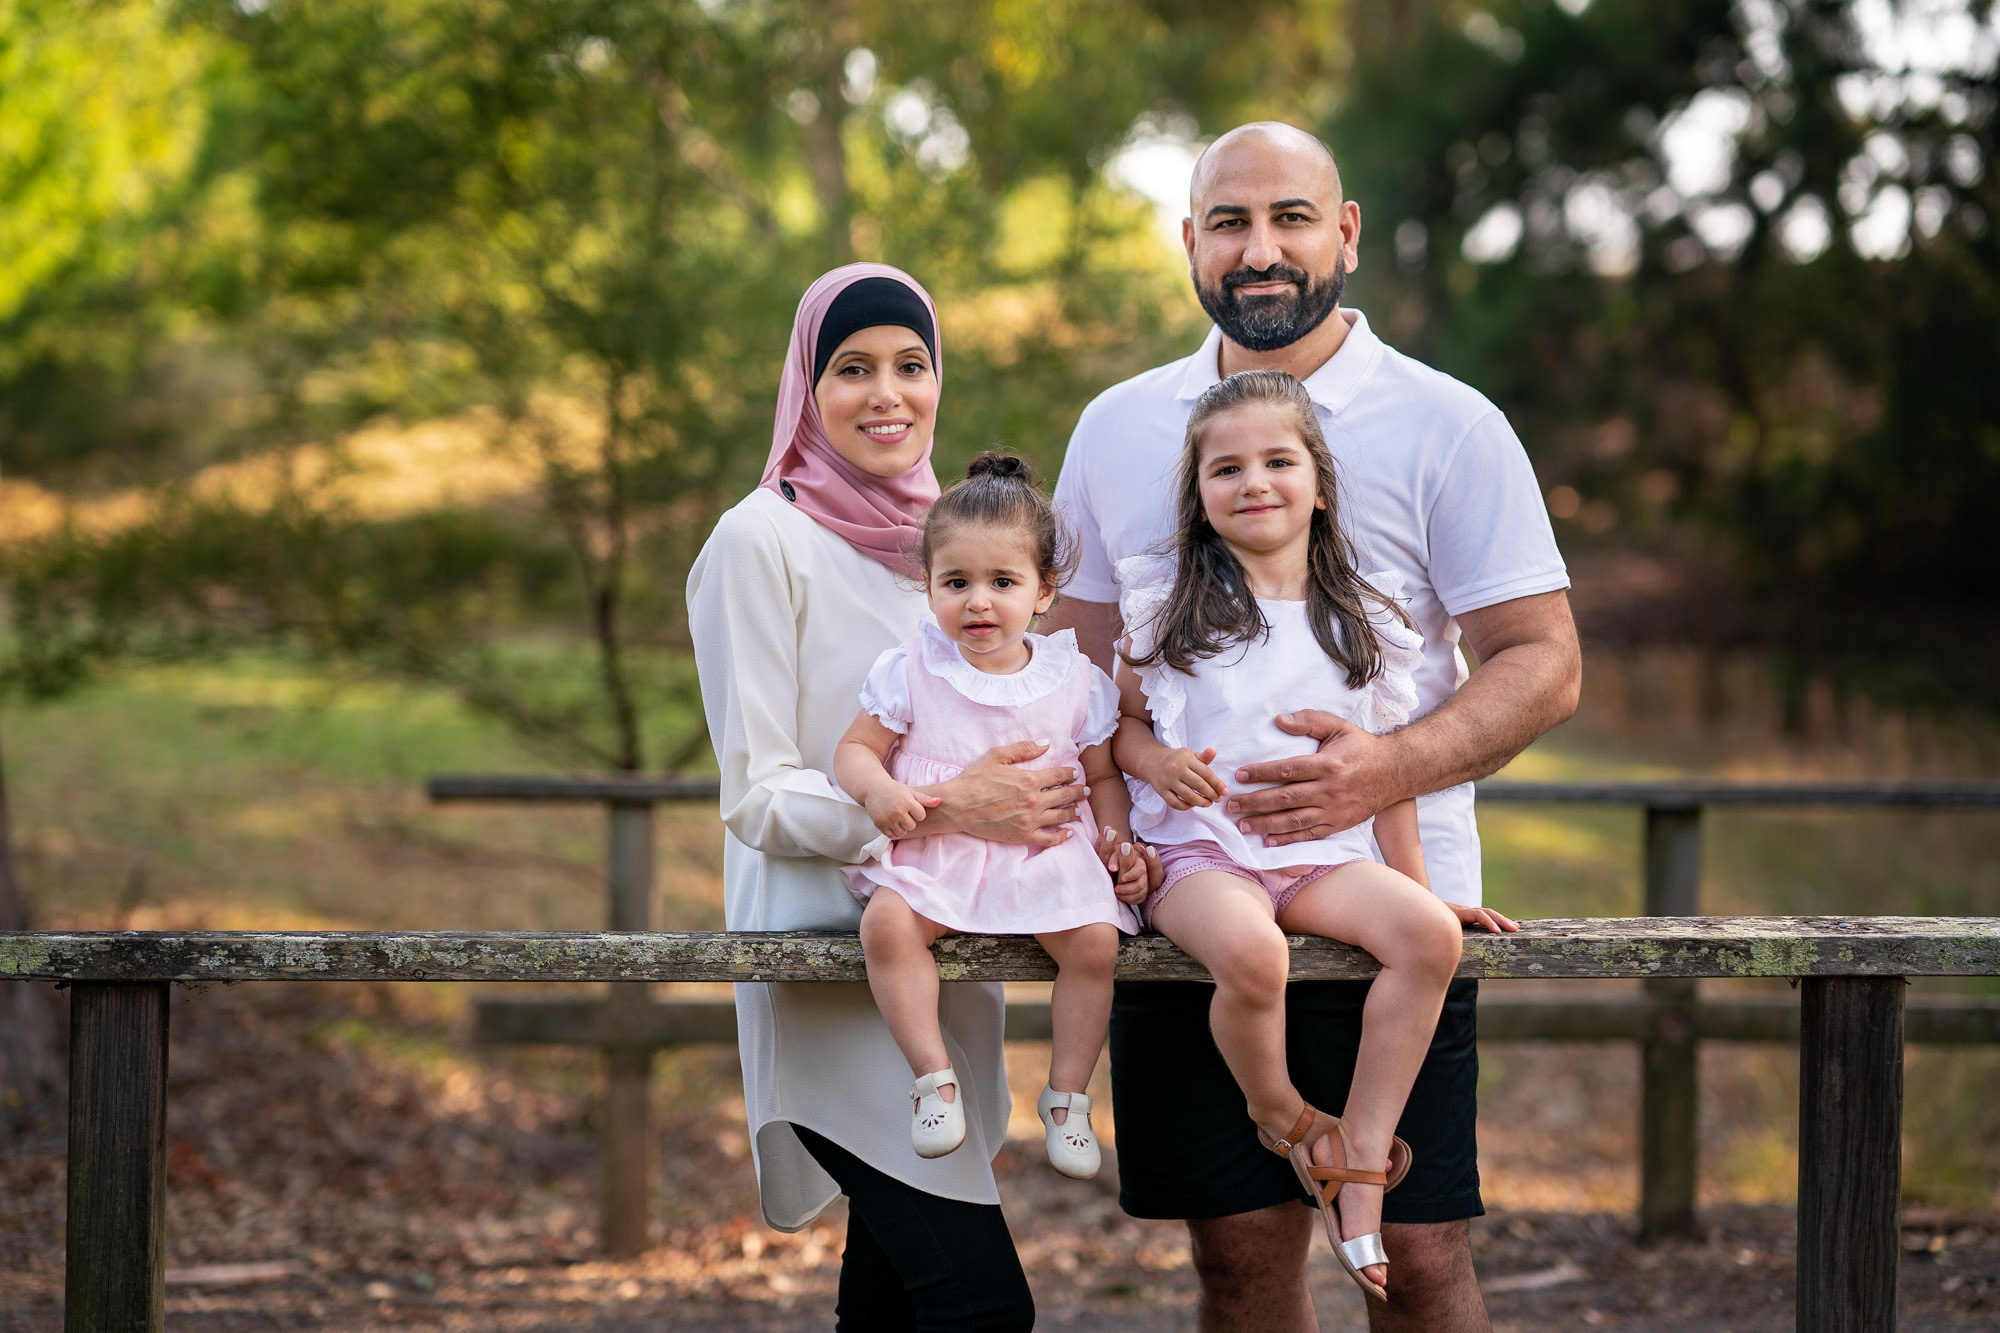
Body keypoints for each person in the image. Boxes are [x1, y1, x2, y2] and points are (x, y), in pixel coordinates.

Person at [1044, 123, 1581, 1331]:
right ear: (1188, 243)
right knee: (1235, 1256)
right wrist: (1105, 832)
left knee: (1419, 1253)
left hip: (1382, 891)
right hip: (1187, 904)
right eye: (1228, 223)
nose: (1260, 249)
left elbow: (1542, 662)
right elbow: (1074, 675)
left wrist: (1384, 769)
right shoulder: (1120, 427)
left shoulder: (1447, 423)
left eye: (1291, 217)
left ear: (1341, 233)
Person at [688, 262, 1082, 1331]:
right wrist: (945, 807)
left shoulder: (945, 551)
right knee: (980, 1308)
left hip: (943, 963)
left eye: (912, 366)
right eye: (851, 368)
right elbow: (758, 792)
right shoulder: (756, 540)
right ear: (804, 389)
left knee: (892, 1311)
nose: (886, 394)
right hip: (825, 964)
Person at [1112, 368, 1519, 1302]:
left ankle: (1363, 1157)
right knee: (1253, 956)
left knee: (1430, 937)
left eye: (1278, 460)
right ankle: (1286, 1116)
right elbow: (1120, 729)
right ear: (1200, 495)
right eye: (1227, 469)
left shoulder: (1366, 619)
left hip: (1321, 859)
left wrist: (1417, 886)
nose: (1254, 481)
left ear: (1320, 483)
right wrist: (1154, 764)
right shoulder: (1166, 602)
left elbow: (1390, 782)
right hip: (1201, 853)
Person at [834, 451, 1152, 1178]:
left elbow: (1102, 773)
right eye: (957, 582)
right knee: (887, 924)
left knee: (1096, 943)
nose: (978, 602)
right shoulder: (911, 667)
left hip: (1045, 847)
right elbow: (854, 748)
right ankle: (933, 1080)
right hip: (939, 850)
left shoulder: (1074, 679)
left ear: (1044, 591)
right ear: (929, 585)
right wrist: (876, 790)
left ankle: (1068, 1094)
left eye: (1002, 582)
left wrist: (1116, 838)